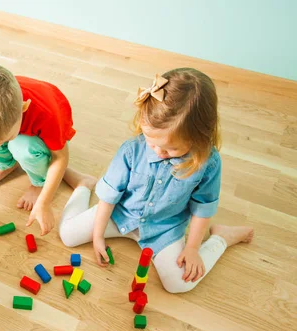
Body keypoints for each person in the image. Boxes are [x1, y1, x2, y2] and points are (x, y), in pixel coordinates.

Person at [59, 68, 254, 293]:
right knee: (67, 235)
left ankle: (221, 238)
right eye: (152, 142)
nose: (159, 152)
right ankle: (83, 185)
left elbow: (203, 207)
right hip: (120, 214)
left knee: (179, 284)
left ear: (199, 139)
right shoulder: (132, 150)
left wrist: (192, 248)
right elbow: (109, 197)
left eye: (171, 149)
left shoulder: (207, 162)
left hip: (164, 229)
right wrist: (97, 234)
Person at [0, 65, 76, 235]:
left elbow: (60, 158)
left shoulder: (47, 115)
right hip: (12, 121)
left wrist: (44, 201)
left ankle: (38, 183)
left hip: (45, 123)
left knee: (22, 148)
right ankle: (5, 163)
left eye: (4, 140)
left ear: (24, 108)